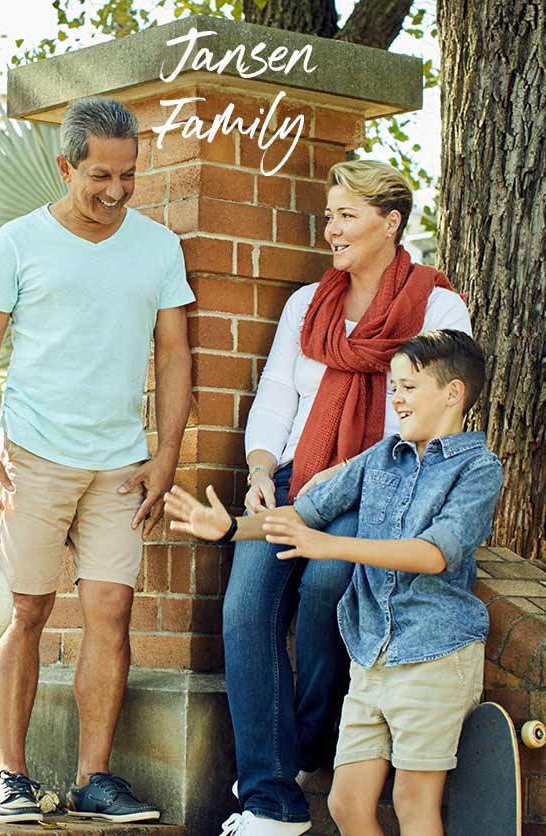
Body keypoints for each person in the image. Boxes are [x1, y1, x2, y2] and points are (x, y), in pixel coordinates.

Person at [217, 160, 472, 835]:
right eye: (329, 215)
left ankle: (301, 750)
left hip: (378, 479)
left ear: (390, 223)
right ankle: (269, 799)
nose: (332, 229)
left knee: (330, 584)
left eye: (347, 215)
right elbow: (278, 394)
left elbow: (444, 410)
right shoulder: (309, 304)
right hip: (297, 474)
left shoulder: (437, 307)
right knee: (247, 605)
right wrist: (261, 467)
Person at [166, 329, 503, 836]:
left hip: (434, 652)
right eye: (394, 386)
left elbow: (434, 555)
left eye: (409, 387)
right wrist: (233, 529)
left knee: (414, 802)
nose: (397, 398)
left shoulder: (479, 469)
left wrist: (330, 546)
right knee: (346, 803)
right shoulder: (380, 458)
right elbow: (302, 514)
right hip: (372, 654)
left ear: (453, 393)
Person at [0, 96, 194, 823]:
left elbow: (176, 354)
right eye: (100, 175)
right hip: (35, 455)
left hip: (121, 463)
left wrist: (167, 455)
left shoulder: (157, 247)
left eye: (128, 175)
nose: (117, 191)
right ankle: (11, 776)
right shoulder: (20, 241)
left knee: (110, 611)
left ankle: (96, 778)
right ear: (66, 165)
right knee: (22, 610)